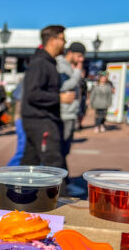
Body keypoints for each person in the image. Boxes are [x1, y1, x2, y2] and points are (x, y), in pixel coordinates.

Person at [20, 25, 76, 169]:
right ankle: (60, 186)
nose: (65, 43)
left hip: (41, 120)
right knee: (55, 165)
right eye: (62, 39)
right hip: (42, 121)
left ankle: (21, 184)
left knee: (29, 163)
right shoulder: (40, 63)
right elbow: (32, 94)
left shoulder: (47, 62)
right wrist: (59, 98)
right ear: (52, 40)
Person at [56, 42, 85, 155]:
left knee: (65, 150)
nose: (81, 60)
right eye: (79, 56)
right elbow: (64, 86)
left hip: (70, 112)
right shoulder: (61, 66)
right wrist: (77, 72)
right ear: (70, 53)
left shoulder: (68, 66)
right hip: (64, 114)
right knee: (61, 151)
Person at [7, 82, 25, 166]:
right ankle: (9, 172)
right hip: (23, 121)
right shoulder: (24, 83)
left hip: (22, 120)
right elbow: (18, 107)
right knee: (21, 151)